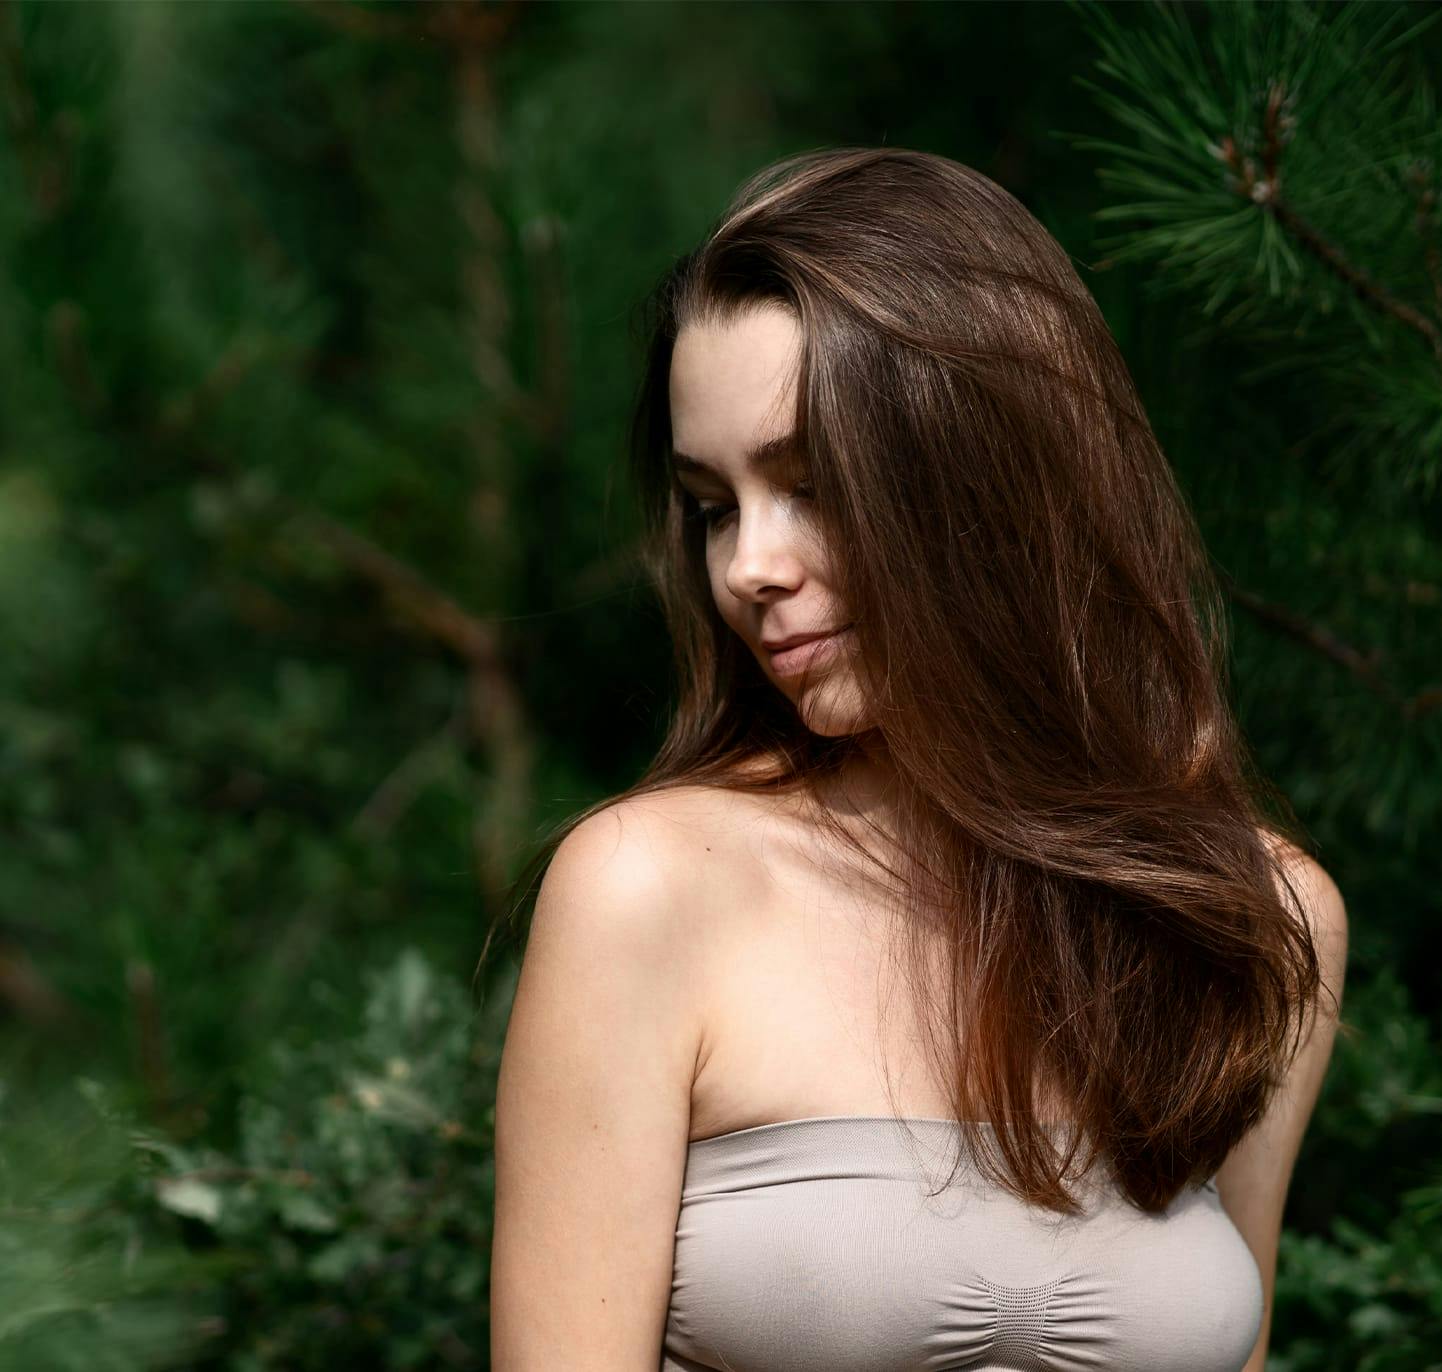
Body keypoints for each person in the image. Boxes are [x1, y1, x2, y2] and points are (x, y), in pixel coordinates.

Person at [486, 147, 1348, 1372]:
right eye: (714, 504)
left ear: (991, 475)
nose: (748, 567)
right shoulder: (649, 888)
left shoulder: (1255, 922)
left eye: (810, 482)